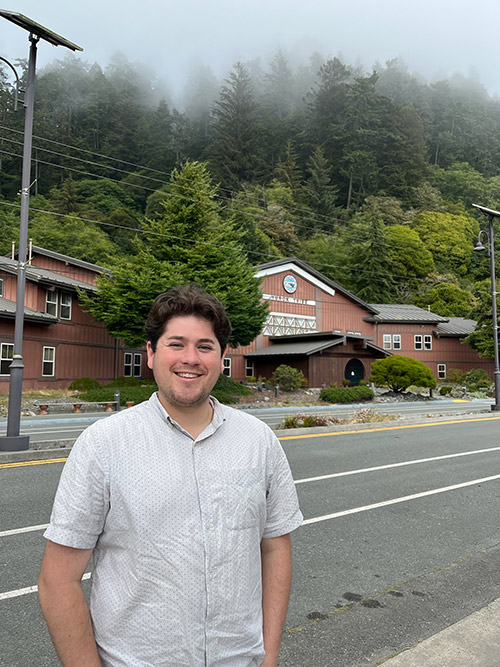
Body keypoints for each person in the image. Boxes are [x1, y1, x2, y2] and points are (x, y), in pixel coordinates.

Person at [38, 283, 303, 667]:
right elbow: (58, 580)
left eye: (205, 346)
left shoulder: (258, 440)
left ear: (223, 355)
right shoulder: (104, 443)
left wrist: (270, 654)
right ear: (151, 353)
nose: (190, 358)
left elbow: (275, 546)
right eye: (176, 344)